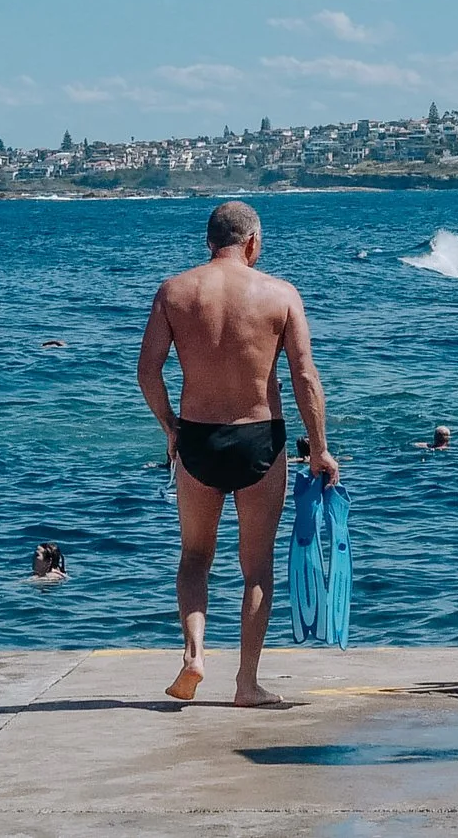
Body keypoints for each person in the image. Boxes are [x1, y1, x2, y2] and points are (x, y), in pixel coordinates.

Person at [138, 199, 338, 709]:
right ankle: (246, 684)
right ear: (251, 242)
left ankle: (194, 655)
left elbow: (148, 371)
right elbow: (304, 376)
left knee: (194, 557)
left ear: (210, 242)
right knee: (256, 568)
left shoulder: (175, 292)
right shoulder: (280, 294)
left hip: (198, 439)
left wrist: (170, 427)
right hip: (259, 440)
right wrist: (319, 448)